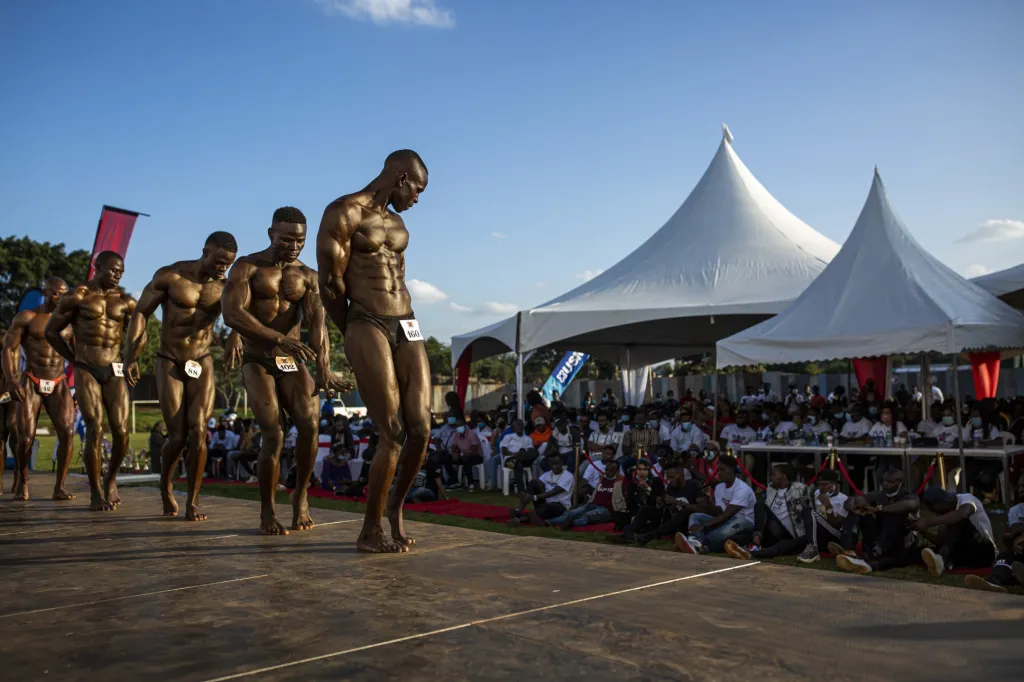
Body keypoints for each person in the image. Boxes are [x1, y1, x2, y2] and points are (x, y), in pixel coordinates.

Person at [316, 151, 432, 553]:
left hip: (407, 320)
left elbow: (396, 276)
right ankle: (369, 529)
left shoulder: (398, 224)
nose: (417, 199)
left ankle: (395, 507)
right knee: (394, 429)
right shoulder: (343, 213)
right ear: (401, 177)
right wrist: (350, 326)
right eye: (417, 189)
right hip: (365, 320)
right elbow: (329, 284)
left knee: (422, 427)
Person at [222, 207, 346, 536]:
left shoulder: (306, 275)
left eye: (300, 240)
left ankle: (300, 496)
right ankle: (267, 510)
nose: (294, 246)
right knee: (273, 433)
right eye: (287, 239)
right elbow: (232, 314)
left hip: (292, 360)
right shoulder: (248, 267)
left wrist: (324, 369)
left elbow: (319, 326)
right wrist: (278, 338)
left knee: (309, 424)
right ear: (270, 234)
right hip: (257, 359)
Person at [124, 232, 238, 520]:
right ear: (206, 252)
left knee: (199, 428)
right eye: (219, 262)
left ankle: (194, 500)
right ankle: (166, 486)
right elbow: (141, 312)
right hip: (169, 359)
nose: (222, 268)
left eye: (228, 264)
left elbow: (241, 313)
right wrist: (131, 355)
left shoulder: (225, 287)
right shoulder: (171, 276)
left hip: (202, 359)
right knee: (176, 435)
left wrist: (236, 334)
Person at [44, 252, 136, 511]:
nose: (118, 275)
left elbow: (138, 334)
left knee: (122, 431)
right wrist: (72, 358)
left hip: (114, 369)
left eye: (121, 272)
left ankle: (111, 479)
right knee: (95, 428)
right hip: (86, 367)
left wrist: (133, 359)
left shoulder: (126, 301)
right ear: (98, 267)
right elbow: (51, 331)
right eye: (113, 270)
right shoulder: (78, 297)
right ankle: (96, 492)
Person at [2, 277, 77, 501]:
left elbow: (78, 358)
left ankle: (59, 486)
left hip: (58, 382)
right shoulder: (28, 318)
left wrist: (78, 388)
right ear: (44, 292)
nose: (60, 298)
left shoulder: (69, 323)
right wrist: (12, 380)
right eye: (55, 293)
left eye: (64, 293)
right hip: (32, 380)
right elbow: (9, 348)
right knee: (25, 437)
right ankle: (23, 479)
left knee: (67, 432)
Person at [834, 469, 921, 574]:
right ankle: (848, 548)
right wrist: (857, 505)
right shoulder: (879, 495)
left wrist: (879, 509)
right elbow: (854, 499)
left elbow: (910, 505)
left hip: (900, 542)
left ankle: (874, 553)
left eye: (890, 482)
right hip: (880, 535)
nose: (885, 484)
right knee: (860, 512)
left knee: (894, 516)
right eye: (884, 481)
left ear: (901, 484)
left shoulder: (910, 496)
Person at [726, 464, 809, 560]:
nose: (771, 478)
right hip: (770, 531)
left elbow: (808, 511)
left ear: (784, 476)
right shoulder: (771, 488)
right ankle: (715, 547)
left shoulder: (799, 488)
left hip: (788, 533)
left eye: (774, 475)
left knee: (760, 505)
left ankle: (754, 548)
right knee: (742, 534)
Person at [676, 454, 755, 554]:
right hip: (726, 519)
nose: (719, 473)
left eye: (722, 470)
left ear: (731, 470)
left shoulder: (742, 489)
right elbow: (718, 512)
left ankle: (695, 543)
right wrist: (709, 498)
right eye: (718, 470)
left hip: (744, 521)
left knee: (720, 532)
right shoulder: (719, 487)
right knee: (695, 516)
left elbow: (726, 515)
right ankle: (694, 542)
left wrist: (704, 526)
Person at [912, 487, 997, 577]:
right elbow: (943, 541)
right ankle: (940, 561)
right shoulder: (949, 515)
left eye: (936, 510)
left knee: (958, 519)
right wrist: (923, 531)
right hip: (966, 553)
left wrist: (929, 522)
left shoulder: (967, 499)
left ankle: (941, 560)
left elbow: (963, 514)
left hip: (984, 552)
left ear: (942, 503)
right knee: (922, 551)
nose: (937, 514)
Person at [966, 478, 1024, 592]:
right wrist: (1012, 539)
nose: (1021, 489)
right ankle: (995, 583)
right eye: (1020, 486)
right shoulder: (1016, 510)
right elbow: (1013, 532)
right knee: (1004, 557)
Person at [554, 459, 627, 529]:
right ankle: (549, 522)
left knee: (587, 516)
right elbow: (595, 493)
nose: (607, 472)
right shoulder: (602, 478)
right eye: (606, 469)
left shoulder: (622, 481)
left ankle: (570, 524)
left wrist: (621, 511)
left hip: (607, 510)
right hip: (592, 505)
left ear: (616, 471)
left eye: (610, 470)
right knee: (571, 513)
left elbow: (626, 498)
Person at [797, 469, 849, 563]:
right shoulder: (817, 493)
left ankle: (813, 547)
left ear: (834, 484)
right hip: (819, 533)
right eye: (819, 484)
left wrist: (828, 506)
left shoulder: (844, 499)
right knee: (791, 544)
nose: (821, 487)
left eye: (824, 484)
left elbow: (836, 524)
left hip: (834, 535)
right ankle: (763, 552)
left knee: (811, 512)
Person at [508, 454, 574, 527]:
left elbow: (554, 492)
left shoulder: (568, 476)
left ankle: (520, 519)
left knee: (544, 508)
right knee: (533, 482)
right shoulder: (547, 474)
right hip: (545, 502)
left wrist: (534, 497)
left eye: (557, 464)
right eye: (552, 464)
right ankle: (520, 510)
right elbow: (538, 484)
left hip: (560, 505)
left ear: (562, 463)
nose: (554, 466)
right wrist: (526, 495)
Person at [501, 419, 538, 493]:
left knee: (535, 452)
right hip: (509, 459)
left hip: (524, 459)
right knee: (519, 464)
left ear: (523, 427)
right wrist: (514, 454)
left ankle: (517, 458)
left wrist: (521, 454)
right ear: (513, 428)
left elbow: (531, 451)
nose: (519, 427)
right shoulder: (508, 437)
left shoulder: (528, 438)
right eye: (517, 426)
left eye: (520, 425)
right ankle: (522, 491)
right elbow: (504, 451)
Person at [447, 418, 483, 489]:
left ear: (464, 426)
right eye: (456, 426)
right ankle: (455, 481)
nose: (457, 428)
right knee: (447, 459)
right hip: (463, 456)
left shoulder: (471, 434)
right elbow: (454, 447)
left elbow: (474, 451)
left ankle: (471, 483)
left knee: (466, 460)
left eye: (459, 426)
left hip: (476, 456)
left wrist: (461, 455)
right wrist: (455, 453)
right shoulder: (456, 435)